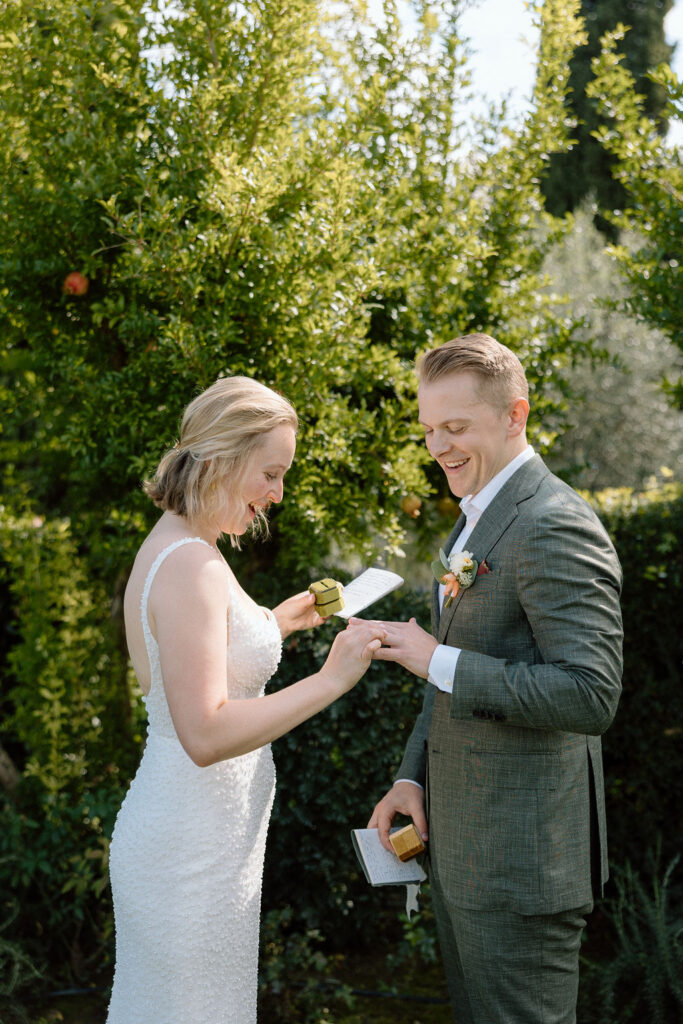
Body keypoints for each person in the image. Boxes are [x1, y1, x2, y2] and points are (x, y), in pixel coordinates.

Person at [359, 334, 623, 1024]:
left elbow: (589, 694)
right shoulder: (477, 521)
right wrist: (410, 779)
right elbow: (442, 668)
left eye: (454, 428)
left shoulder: (553, 524)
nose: (437, 447)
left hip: (520, 870)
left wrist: (433, 659)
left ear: (515, 415)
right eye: (427, 430)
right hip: (462, 853)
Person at [106, 376, 384, 1024]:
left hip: (207, 843)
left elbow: (205, 655)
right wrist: (330, 680)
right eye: (271, 472)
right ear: (225, 457)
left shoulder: (186, 547)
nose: (276, 493)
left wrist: (275, 625)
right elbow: (204, 732)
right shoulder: (190, 565)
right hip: (188, 851)